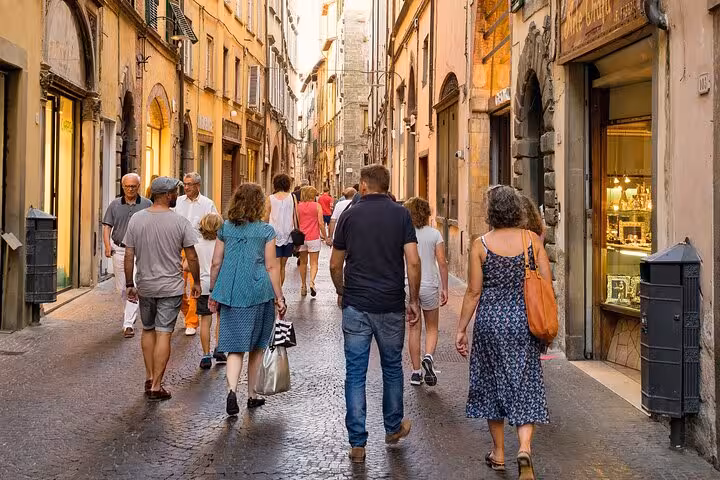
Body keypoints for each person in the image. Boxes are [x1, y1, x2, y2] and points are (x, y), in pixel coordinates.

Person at [455, 185, 550, 480]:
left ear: (491, 211)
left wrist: (461, 330)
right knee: (525, 384)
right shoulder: (532, 241)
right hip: (524, 323)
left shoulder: (480, 245)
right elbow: (546, 283)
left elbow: (473, 292)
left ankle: (498, 453)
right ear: (518, 209)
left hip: (490, 324)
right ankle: (524, 448)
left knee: (491, 384)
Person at [330, 164, 421, 464]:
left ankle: (357, 443)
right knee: (392, 367)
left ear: (364, 186)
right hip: (390, 303)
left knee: (355, 373)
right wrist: (414, 300)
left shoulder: (349, 216)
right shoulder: (402, 214)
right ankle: (393, 428)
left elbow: (334, 264)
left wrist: (342, 291)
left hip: (356, 303)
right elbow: (414, 262)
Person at [208, 183, 287, 415]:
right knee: (257, 346)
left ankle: (232, 390)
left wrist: (214, 290)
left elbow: (215, 263)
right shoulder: (265, 231)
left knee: (234, 347)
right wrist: (279, 297)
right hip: (258, 291)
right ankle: (252, 395)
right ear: (259, 204)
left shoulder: (225, 228)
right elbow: (272, 266)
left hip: (231, 293)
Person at [124, 177, 201, 401]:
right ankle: (157, 385)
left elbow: (129, 255)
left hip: (146, 285)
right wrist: (196, 281)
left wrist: (130, 284)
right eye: (175, 192)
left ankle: (149, 377)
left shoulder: (137, 219)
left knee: (148, 330)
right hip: (170, 287)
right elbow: (192, 256)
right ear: (167, 195)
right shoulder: (179, 222)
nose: (177, 195)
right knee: (164, 332)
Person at [403, 197, 449, 387]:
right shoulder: (434, 234)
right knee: (431, 328)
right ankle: (428, 357)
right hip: (430, 284)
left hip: (408, 285)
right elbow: (442, 262)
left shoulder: (403, 233)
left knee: (413, 328)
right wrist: (445, 287)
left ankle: (415, 373)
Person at [102, 173, 152, 338]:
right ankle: (130, 315)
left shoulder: (147, 204)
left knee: (134, 285)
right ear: (122, 187)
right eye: (127, 186)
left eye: (133, 186)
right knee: (123, 288)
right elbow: (107, 226)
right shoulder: (115, 205)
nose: (130, 189)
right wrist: (108, 245)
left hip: (140, 250)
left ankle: (128, 323)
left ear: (138, 186)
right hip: (120, 249)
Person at [175, 172, 218, 338]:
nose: (186, 187)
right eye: (185, 184)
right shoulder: (177, 202)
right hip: (178, 249)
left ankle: (192, 321)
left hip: (197, 249)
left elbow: (214, 225)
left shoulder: (207, 204)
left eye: (190, 184)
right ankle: (187, 314)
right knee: (177, 287)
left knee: (195, 285)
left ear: (198, 186)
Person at [191, 213, 224, 369]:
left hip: (203, 287)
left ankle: (205, 355)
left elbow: (186, 265)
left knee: (205, 321)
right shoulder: (223, 244)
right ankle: (219, 348)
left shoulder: (196, 244)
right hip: (220, 285)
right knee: (220, 318)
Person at [264, 174, 295, 285]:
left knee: (275, 267)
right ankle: (279, 294)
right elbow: (295, 216)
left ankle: (276, 295)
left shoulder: (270, 199)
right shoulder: (293, 197)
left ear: (275, 184)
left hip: (273, 236)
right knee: (282, 267)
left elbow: (266, 217)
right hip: (289, 235)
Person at [297, 186, 327, 297]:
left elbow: (295, 222)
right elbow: (320, 223)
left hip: (301, 238)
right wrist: (326, 236)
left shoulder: (297, 206)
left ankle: (303, 285)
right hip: (313, 237)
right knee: (314, 263)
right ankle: (312, 282)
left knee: (303, 262)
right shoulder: (317, 206)